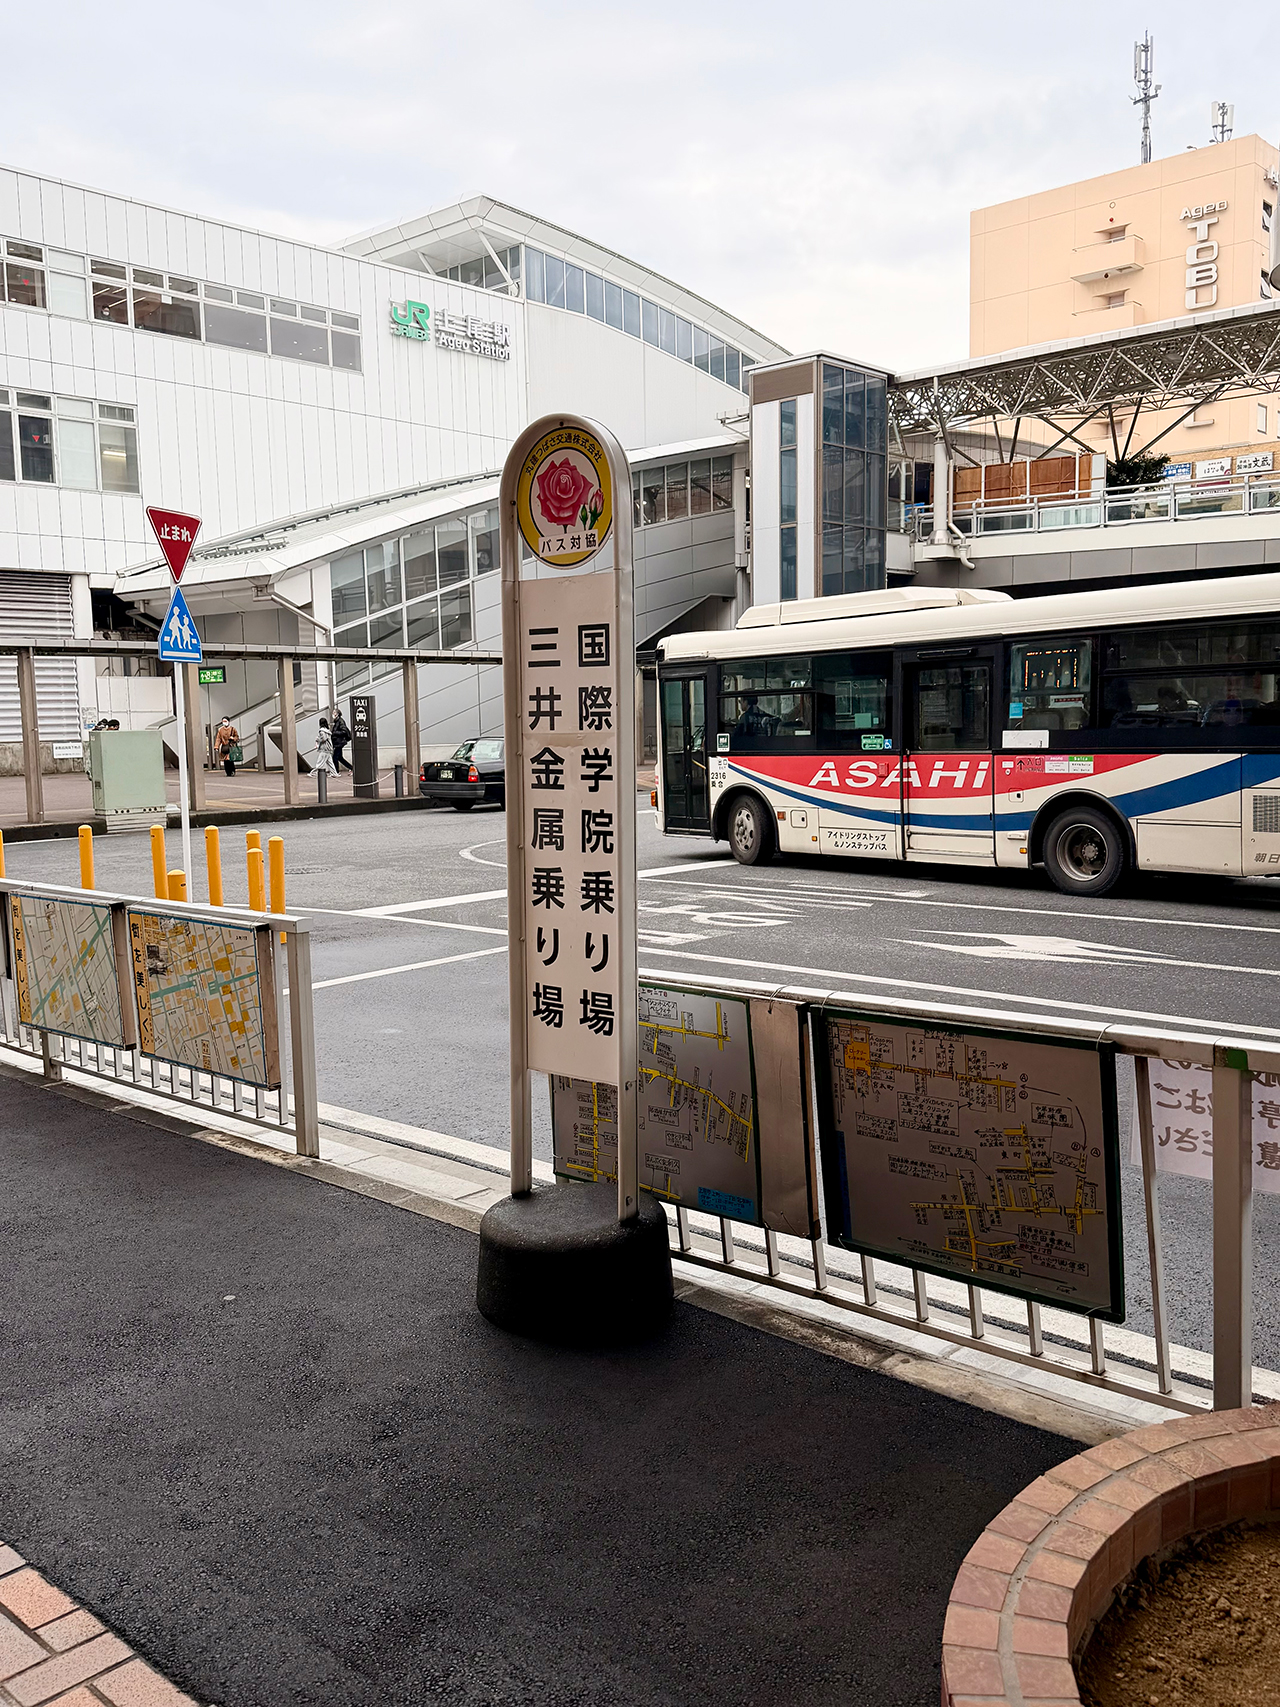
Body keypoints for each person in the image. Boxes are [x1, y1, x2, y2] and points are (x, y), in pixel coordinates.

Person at [330, 709, 353, 773]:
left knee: (335, 758)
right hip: (338, 742)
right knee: (340, 758)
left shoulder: (340, 721)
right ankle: (351, 768)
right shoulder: (337, 721)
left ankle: (336, 772)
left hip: (339, 742)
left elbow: (344, 731)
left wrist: (334, 733)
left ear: (337, 714)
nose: (333, 714)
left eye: (334, 712)